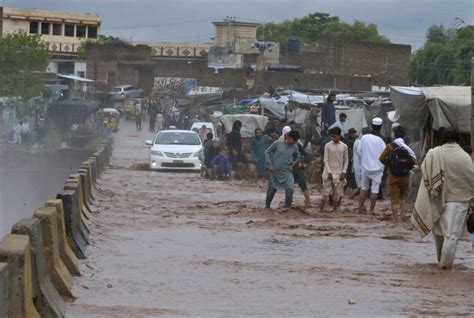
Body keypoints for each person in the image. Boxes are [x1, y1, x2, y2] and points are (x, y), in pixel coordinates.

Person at [412, 129, 474, 269]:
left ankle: (440, 263)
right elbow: (471, 180)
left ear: (442, 138)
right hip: (458, 203)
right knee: (451, 236)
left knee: (438, 234)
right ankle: (445, 267)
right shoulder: (464, 157)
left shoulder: (434, 153)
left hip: (436, 199)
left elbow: (425, 171)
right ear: (458, 139)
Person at [379, 126, 416, 223]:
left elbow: (381, 158)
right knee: (403, 196)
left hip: (393, 175)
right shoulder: (406, 147)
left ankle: (396, 220)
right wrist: (407, 168)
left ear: (394, 135)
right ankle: (403, 216)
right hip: (405, 175)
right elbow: (413, 161)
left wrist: (390, 164)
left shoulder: (390, 146)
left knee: (394, 198)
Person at [265, 130, 300, 209]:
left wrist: (293, 165)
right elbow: (267, 152)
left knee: (290, 189)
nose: (294, 142)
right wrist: (270, 165)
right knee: (271, 191)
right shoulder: (278, 143)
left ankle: (287, 207)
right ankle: (267, 207)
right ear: (288, 137)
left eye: (295, 141)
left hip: (287, 171)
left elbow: (298, 157)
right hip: (275, 171)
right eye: (293, 140)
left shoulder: (295, 147)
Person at [357, 117, 386, 213]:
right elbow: (384, 155)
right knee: (375, 190)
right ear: (380, 127)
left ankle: (360, 208)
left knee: (363, 188)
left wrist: (364, 161)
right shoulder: (382, 141)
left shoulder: (364, 138)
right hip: (377, 169)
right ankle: (371, 210)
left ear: (372, 126)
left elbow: (359, 152)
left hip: (365, 168)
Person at [320, 127, 348, 212]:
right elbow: (325, 159)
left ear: (339, 136)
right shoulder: (327, 145)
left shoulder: (344, 146)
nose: (333, 138)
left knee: (337, 193)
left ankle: (334, 210)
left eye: (335, 136)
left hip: (339, 172)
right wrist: (329, 172)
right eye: (332, 136)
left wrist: (344, 172)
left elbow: (346, 160)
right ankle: (321, 210)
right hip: (328, 172)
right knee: (326, 191)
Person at [345, 128, 358, 193]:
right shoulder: (347, 141)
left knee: (353, 174)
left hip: (354, 160)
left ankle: (353, 188)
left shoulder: (355, 140)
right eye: (353, 134)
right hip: (349, 160)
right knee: (349, 174)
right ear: (350, 134)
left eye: (354, 133)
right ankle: (350, 187)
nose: (354, 135)